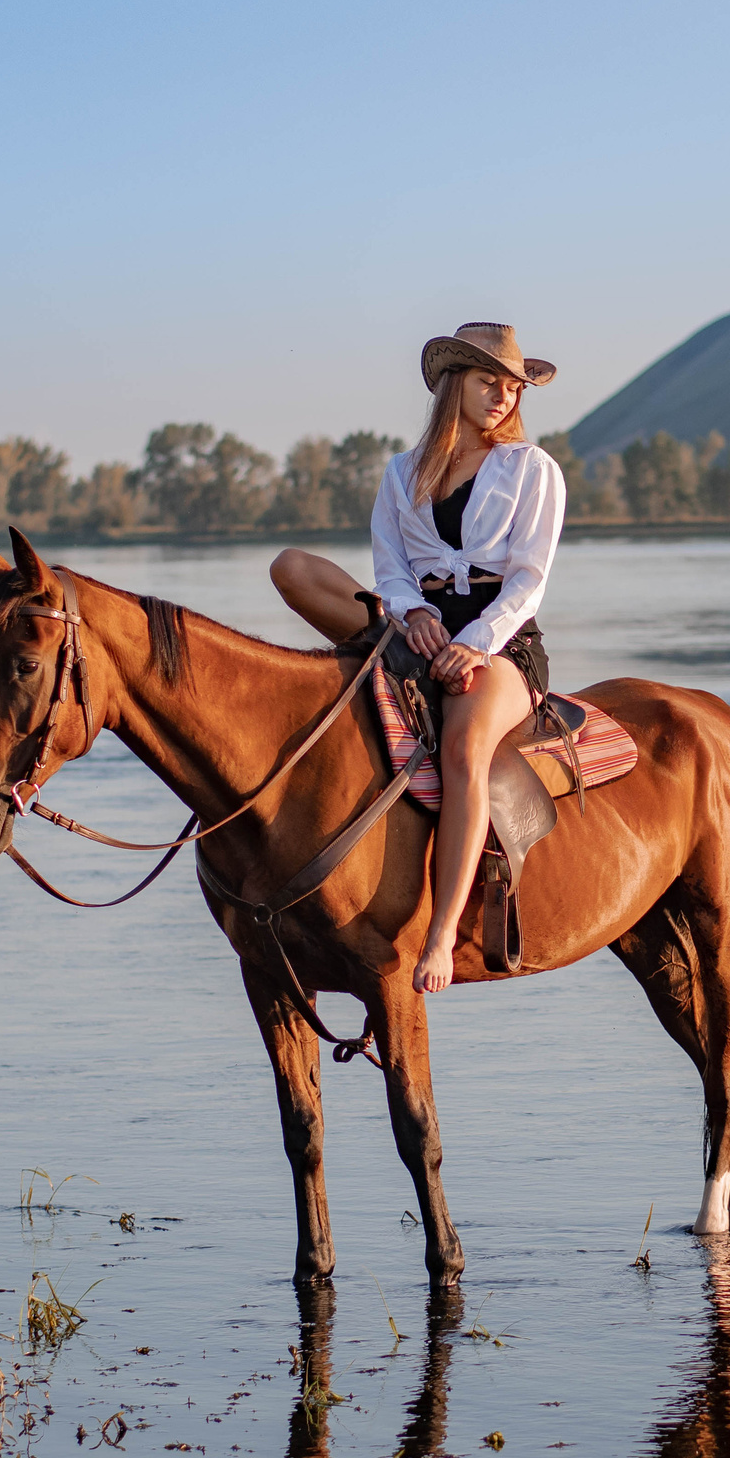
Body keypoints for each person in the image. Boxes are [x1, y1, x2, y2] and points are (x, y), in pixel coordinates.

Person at [270, 322, 567, 995]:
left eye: (513, 386)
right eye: (489, 380)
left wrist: (474, 643)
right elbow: (391, 566)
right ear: (453, 384)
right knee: (291, 567)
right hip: (418, 629)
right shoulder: (402, 471)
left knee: (463, 748)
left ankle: (440, 933)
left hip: (502, 641)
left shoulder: (531, 469)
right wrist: (416, 615)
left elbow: (529, 581)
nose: (503, 395)